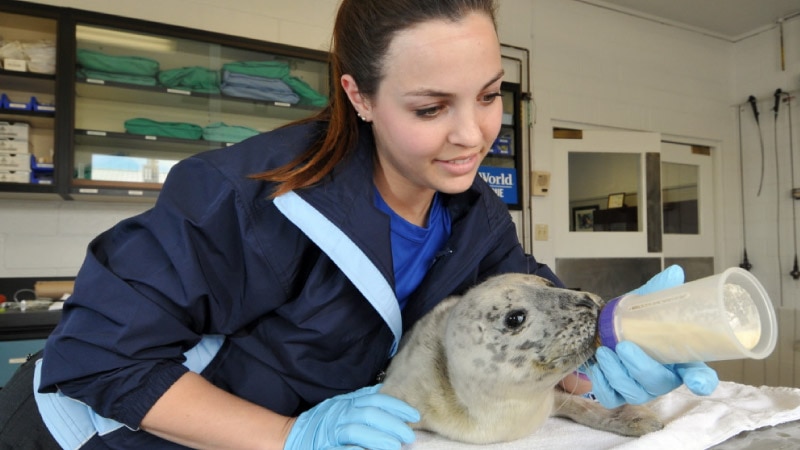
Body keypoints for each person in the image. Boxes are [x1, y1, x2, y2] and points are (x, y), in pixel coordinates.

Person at [0, 0, 718, 449]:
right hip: (99, 433)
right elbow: (99, 358)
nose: (473, 135)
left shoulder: (473, 217)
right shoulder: (245, 196)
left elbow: (518, 312)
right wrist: (292, 437)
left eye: (491, 96)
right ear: (360, 96)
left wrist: (599, 356)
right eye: (431, 108)